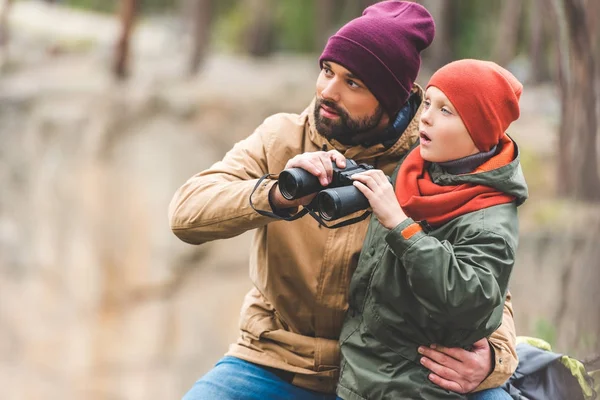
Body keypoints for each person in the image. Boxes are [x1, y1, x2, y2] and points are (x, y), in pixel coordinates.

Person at [169, 2, 518, 399]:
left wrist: (493, 359)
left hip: (400, 369)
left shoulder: (434, 159)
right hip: (277, 362)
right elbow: (186, 214)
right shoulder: (281, 138)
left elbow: (489, 281)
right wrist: (279, 192)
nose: (327, 92)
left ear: (391, 100)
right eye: (327, 71)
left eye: (353, 83)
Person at [336, 59, 528, 400]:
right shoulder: (416, 170)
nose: (425, 117)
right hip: (361, 374)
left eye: (446, 111)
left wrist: (401, 227)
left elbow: (472, 302)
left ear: (479, 130)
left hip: (420, 386)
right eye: (428, 103)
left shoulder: (490, 217)